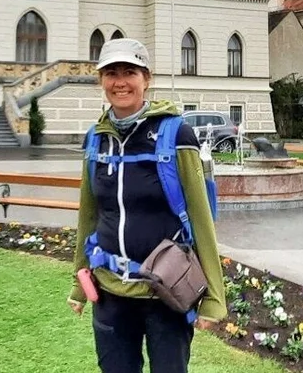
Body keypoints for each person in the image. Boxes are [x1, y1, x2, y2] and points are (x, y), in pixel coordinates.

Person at [68, 38, 225, 373]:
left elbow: (200, 218)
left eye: (130, 72)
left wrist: (214, 297)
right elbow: (89, 214)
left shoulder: (176, 134)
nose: (120, 82)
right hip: (109, 290)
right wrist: (78, 283)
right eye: (111, 73)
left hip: (164, 294)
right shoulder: (96, 137)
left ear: (146, 78)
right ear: (101, 80)